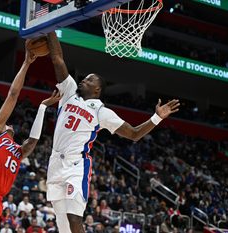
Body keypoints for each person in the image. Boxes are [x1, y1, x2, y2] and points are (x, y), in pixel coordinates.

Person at [45, 31, 180, 233]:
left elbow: (134, 134)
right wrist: (49, 28)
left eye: (89, 80)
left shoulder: (101, 112)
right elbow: (57, 59)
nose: (83, 81)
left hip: (76, 164)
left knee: (74, 219)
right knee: (62, 224)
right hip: (55, 162)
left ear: (97, 90)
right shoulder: (69, 93)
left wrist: (157, 117)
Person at [0, 40, 62, 233]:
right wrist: (26, 63)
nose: (10, 124)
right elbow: (13, 95)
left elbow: (33, 141)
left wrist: (42, 107)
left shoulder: (18, 151)